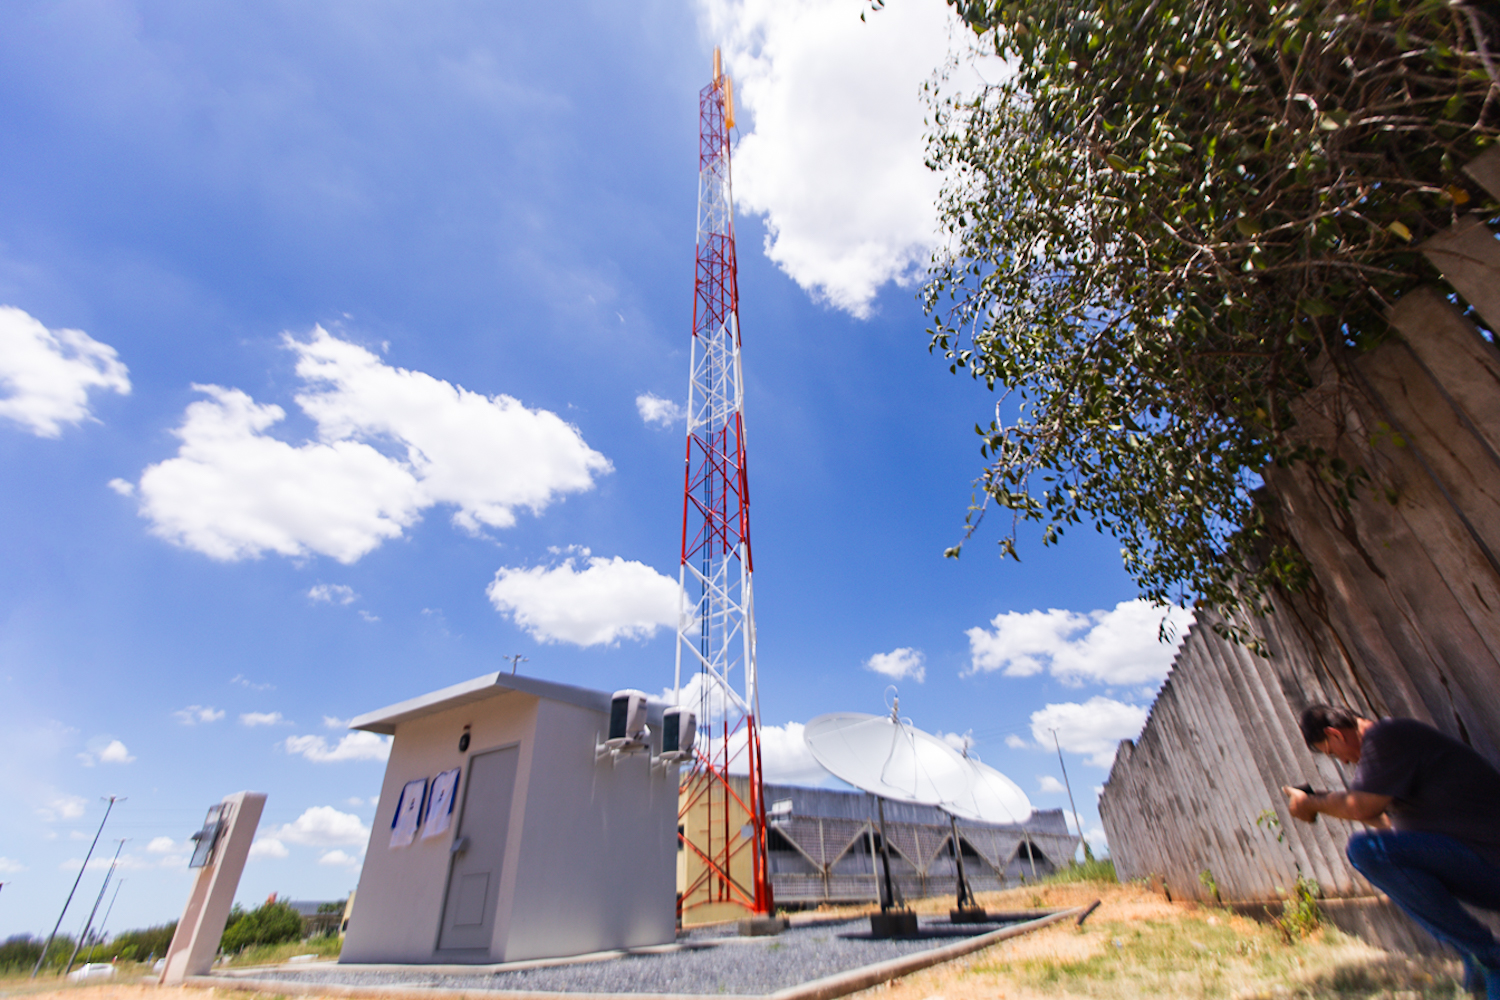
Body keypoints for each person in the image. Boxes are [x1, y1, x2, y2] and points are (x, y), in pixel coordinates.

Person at [1286, 704, 1500, 999]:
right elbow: (1387, 826)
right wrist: (1320, 801)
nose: (1345, 763)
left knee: (1364, 850)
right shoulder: (1391, 754)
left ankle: (1487, 954)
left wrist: (1311, 804)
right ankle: (1479, 955)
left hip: (1490, 862)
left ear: (1335, 734)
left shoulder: (1386, 735)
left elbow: (1361, 806)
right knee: (1376, 854)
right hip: (1479, 865)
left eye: (1333, 753)